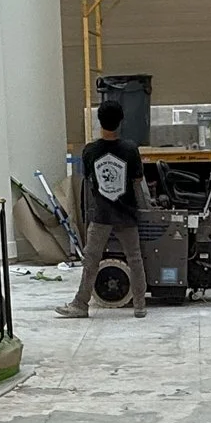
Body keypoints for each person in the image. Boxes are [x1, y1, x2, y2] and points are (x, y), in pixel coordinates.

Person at [59, 100, 148, 318]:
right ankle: (139, 304)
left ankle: (81, 304)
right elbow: (137, 181)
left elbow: (90, 182)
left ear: (99, 121)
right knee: (135, 258)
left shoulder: (90, 151)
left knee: (91, 260)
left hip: (101, 214)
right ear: (121, 122)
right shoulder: (130, 149)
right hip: (126, 212)